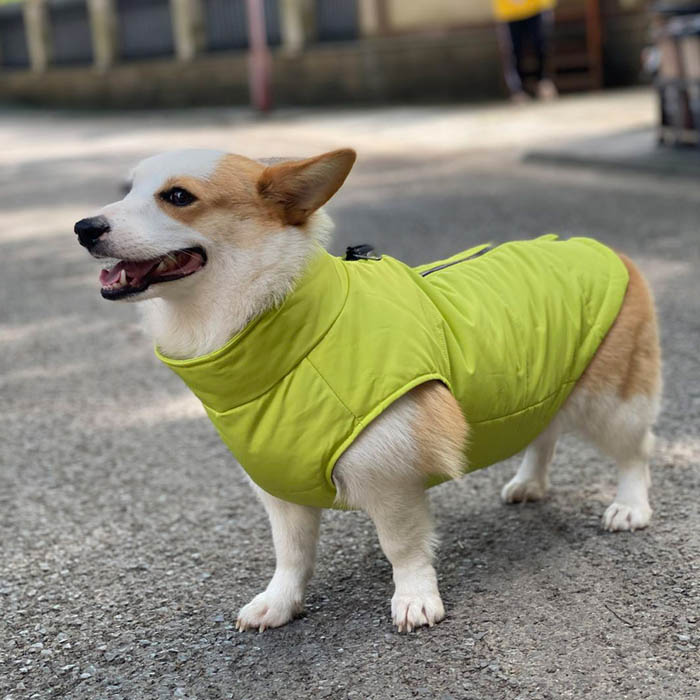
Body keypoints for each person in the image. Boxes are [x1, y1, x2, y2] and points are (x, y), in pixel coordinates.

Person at [493, 0, 559, 103]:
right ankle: (517, 90)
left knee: (542, 45)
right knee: (513, 51)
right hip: (509, 11)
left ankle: (544, 82)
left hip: (537, 6)